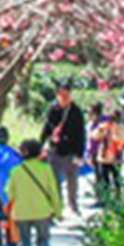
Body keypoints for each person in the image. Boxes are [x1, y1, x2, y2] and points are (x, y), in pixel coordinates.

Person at [7, 138, 63, 246]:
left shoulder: (15, 171)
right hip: (42, 210)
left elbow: (9, 192)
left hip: (21, 212)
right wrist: (57, 210)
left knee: (24, 241)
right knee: (43, 239)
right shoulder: (45, 169)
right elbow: (53, 191)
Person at [39, 83, 86, 216]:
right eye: (61, 94)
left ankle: (73, 204)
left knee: (72, 179)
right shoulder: (53, 109)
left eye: (66, 94)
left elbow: (81, 133)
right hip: (55, 149)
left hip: (71, 150)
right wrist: (41, 145)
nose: (64, 97)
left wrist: (79, 153)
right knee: (54, 180)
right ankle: (57, 206)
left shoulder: (76, 111)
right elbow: (46, 128)